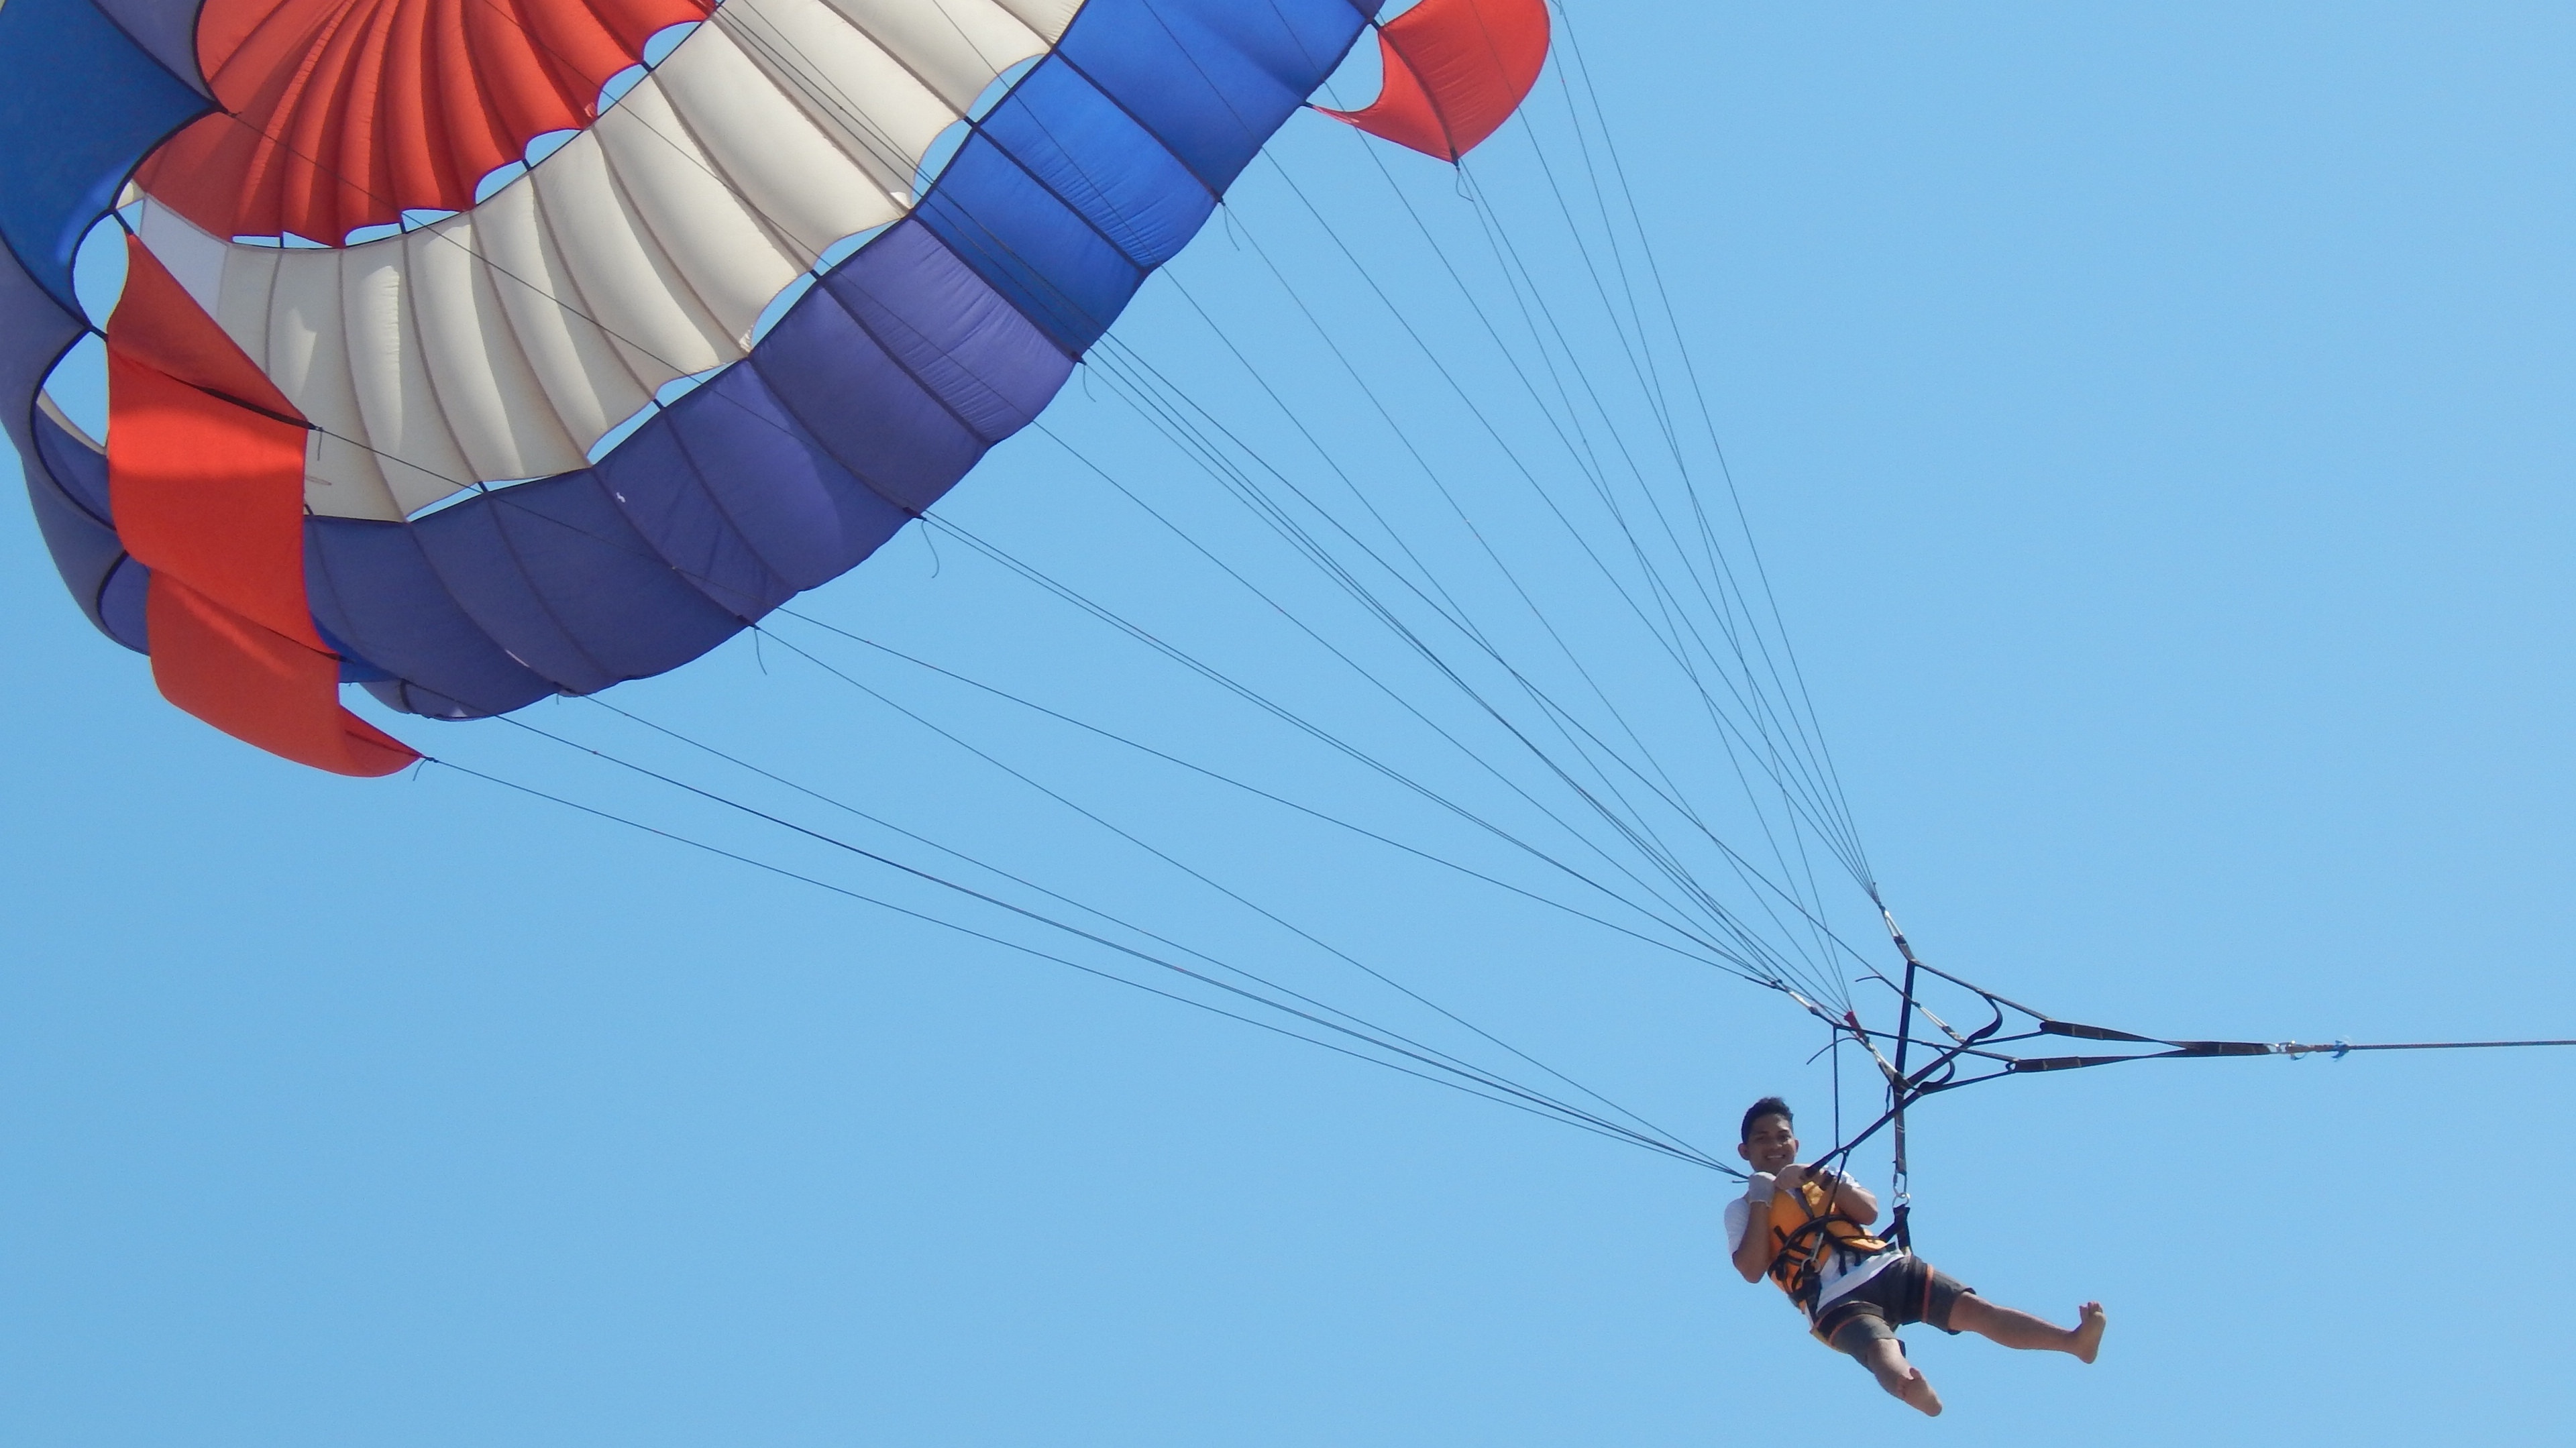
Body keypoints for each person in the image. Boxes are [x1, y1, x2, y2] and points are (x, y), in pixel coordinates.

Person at [1724, 1096, 2106, 1416]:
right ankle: (1910, 1388)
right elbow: (1751, 1268)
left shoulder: (1824, 1176)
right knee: (1880, 1348)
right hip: (1835, 1301)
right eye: (1762, 1140)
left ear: (1797, 1143)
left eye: (1783, 1137)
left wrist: (1819, 1178)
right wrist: (1761, 1198)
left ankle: (2073, 1342)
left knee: (1976, 1310)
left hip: (1886, 1267)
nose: (1775, 1146)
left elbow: (1868, 1212)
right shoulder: (1741, 1209)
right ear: (1745, 1151)